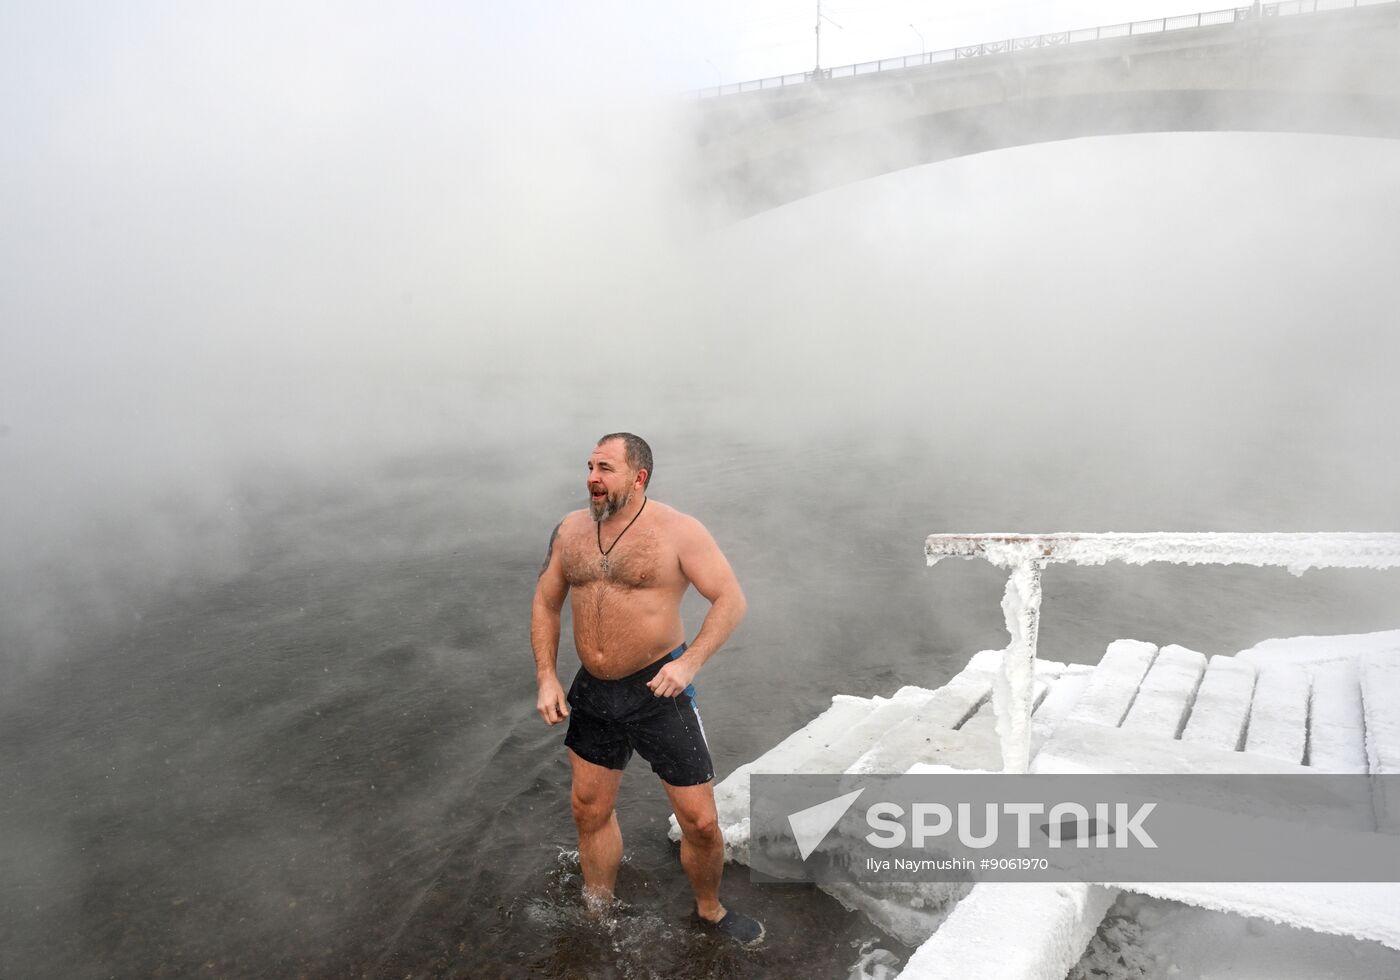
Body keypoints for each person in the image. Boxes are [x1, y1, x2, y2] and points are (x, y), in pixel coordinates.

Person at [530, 432, 764, 947]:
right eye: (590, 466)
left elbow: (730, 600)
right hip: (594, 692)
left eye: (605, 469)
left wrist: (689, 664)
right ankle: (597, 910)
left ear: (639, 477)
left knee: (699, 821)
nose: (592, 478)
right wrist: (547, 675)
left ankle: (710, 911)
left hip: (660, 689)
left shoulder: (678, 531)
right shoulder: (570, 530)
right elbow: (546, 602)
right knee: (588, 809)